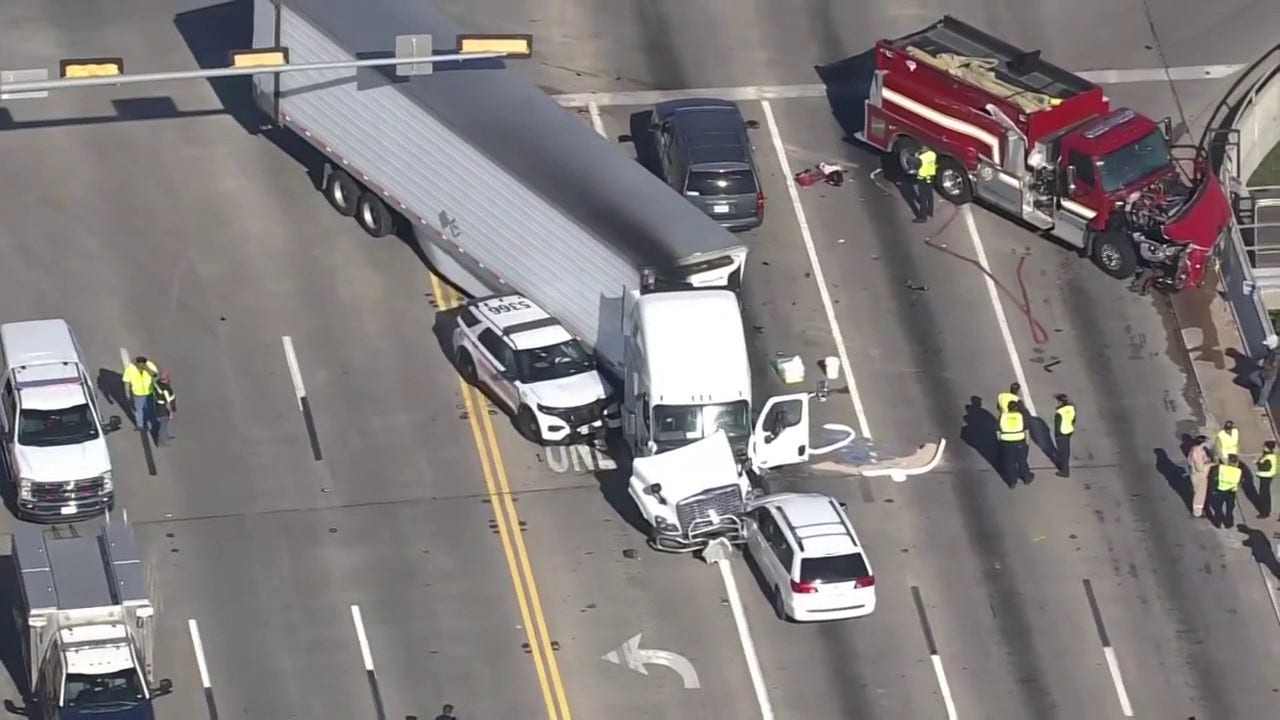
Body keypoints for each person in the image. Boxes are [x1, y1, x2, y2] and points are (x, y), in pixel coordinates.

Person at [998, 399, 1032, 485]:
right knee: (1022, 461)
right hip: (1020, 441)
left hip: (1007, 442)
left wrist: (1001, 442)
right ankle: (1026, 478)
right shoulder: (1020, 416)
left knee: (1009, 463)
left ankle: (1012, 482)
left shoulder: (1003, 416)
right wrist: (1027, 442)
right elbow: (1026, 430)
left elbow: (998, 431)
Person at [121, 356, 159, 432]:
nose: (141, 366)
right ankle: (140, 425)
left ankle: (151, 424)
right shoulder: (130, 369)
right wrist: (127, 392)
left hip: (149, 392)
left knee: (150, 409)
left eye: (143, 364)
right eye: (140, 365)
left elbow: (156, 375)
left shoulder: (149, 365)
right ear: (136, 364)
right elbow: (126, 382)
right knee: (139, 410)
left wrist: (147, 369)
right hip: (138, 393)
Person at [1209, 454, 1244, 528]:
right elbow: (1240, 481)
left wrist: (1212, 490)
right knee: (1230, 509)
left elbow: (1213, 479)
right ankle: (1229, 523)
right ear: (1236, 462)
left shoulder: (1221, 468)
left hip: (1220, 490)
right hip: (1231, 492)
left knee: (1218, 508)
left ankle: (1218, 523)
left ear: (1228, 461)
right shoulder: (1239, 471)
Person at [1186, 435, 1211, 518]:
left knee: (1198, 492)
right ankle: (1197, 512)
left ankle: (1198, 509)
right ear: (1202, 443)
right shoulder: (1198, 453)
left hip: (1195, 474)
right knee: (1200, 494)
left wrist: (1206, 460)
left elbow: (1189, 459)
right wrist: (1211, 464)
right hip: (1200, 475)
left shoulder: (1194, 449)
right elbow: (1200, 468)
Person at [1053, 393, 1075, 477]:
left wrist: (1056, 436)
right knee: (1066, 451)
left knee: (1063, 453)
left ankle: (1065, 471)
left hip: (1061, 434)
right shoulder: (1071, 408)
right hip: (1068, 432)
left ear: (1060, 402)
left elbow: (1057, 426)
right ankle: (1065, 468)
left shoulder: (1059, 412)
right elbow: (1073, 419)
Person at [1255, 335, 1280, 408]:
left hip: (1270, 373)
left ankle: (1260, 404)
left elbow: (1273, 365)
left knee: (1266, 388)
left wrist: (1262, 364)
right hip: (1269, 372)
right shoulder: (1274, 351)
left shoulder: (1276, 354)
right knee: (1265, 386)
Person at [153, 371, 177, 446]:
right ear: (166, 379)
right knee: (163, 426)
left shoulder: (157, 383)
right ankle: (162, 442)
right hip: (163, 409)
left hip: (158, 406)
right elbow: (167, 402)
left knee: (164, 425)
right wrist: (170, 412)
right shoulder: (165, 389)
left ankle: (166, 437)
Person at [1257, 440, 1277, 518]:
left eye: (1264, 446)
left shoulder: (1269, 457)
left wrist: (1258, 463)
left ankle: (1265, 512)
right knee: (1264, 493)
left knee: (1264, 495)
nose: (1263, 447)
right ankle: (1265, 510)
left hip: (1266, 477)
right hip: (1265, 477)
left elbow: (1264, 468)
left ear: (1267, 448)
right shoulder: (1267, 455)